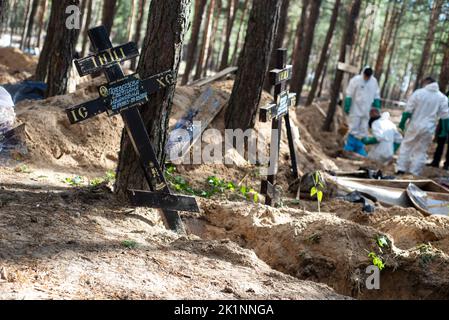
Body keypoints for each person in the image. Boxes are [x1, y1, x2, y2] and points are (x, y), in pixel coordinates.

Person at [396, 77, 449, 176]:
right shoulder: (442, 98)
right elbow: (445, 116)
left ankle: (401, 169)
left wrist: (402, 124)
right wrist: (445, 130)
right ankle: (414, 172)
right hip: (428, 128)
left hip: (414, 125)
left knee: (407, 146)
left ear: (426, 83)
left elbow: (408, 110)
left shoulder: (419, 93)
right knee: (421, 150)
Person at [343, 67, 381, 156]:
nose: (367, 78)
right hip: (355, 108)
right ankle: (350, 146)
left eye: (368, 76)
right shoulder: (356, 80)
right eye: (365, 76)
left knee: (364, 129)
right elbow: (349, 93)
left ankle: (359, 147)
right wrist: (348, 102)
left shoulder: (374, 82)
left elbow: (376, 94)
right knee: (353, 127)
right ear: (363, 73)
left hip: (367, 110)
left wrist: (377, 104)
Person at [428, 91, 449, 170]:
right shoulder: (447, 94)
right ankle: (435, 162)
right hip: (444, 121)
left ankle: (447, 164)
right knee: (440, 142)